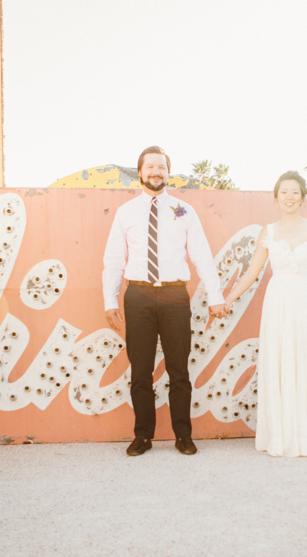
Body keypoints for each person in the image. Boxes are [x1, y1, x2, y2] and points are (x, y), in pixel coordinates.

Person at [103, 146, 226, 456]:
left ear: (168, 173)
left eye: (161, 167)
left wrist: (215, 296)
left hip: (174, 296)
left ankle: (183, 435)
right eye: (150, 167)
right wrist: (110, 300)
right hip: (138, 296)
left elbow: (201, 255)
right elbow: (114, 259)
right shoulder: (126, 212)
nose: (156, 172)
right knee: (140, 371)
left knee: (179, 370)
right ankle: (143, 436)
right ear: (140, 172)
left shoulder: (182, 210)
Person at [223, 171, 307, 457]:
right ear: (276, 198)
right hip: (278, 303)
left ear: (303, 197)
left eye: (295, 192)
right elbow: (252, 271)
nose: (289, 197)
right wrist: (229, 298)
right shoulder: (268, 232)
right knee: (280, 361)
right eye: (284, 192)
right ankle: (281, 435)